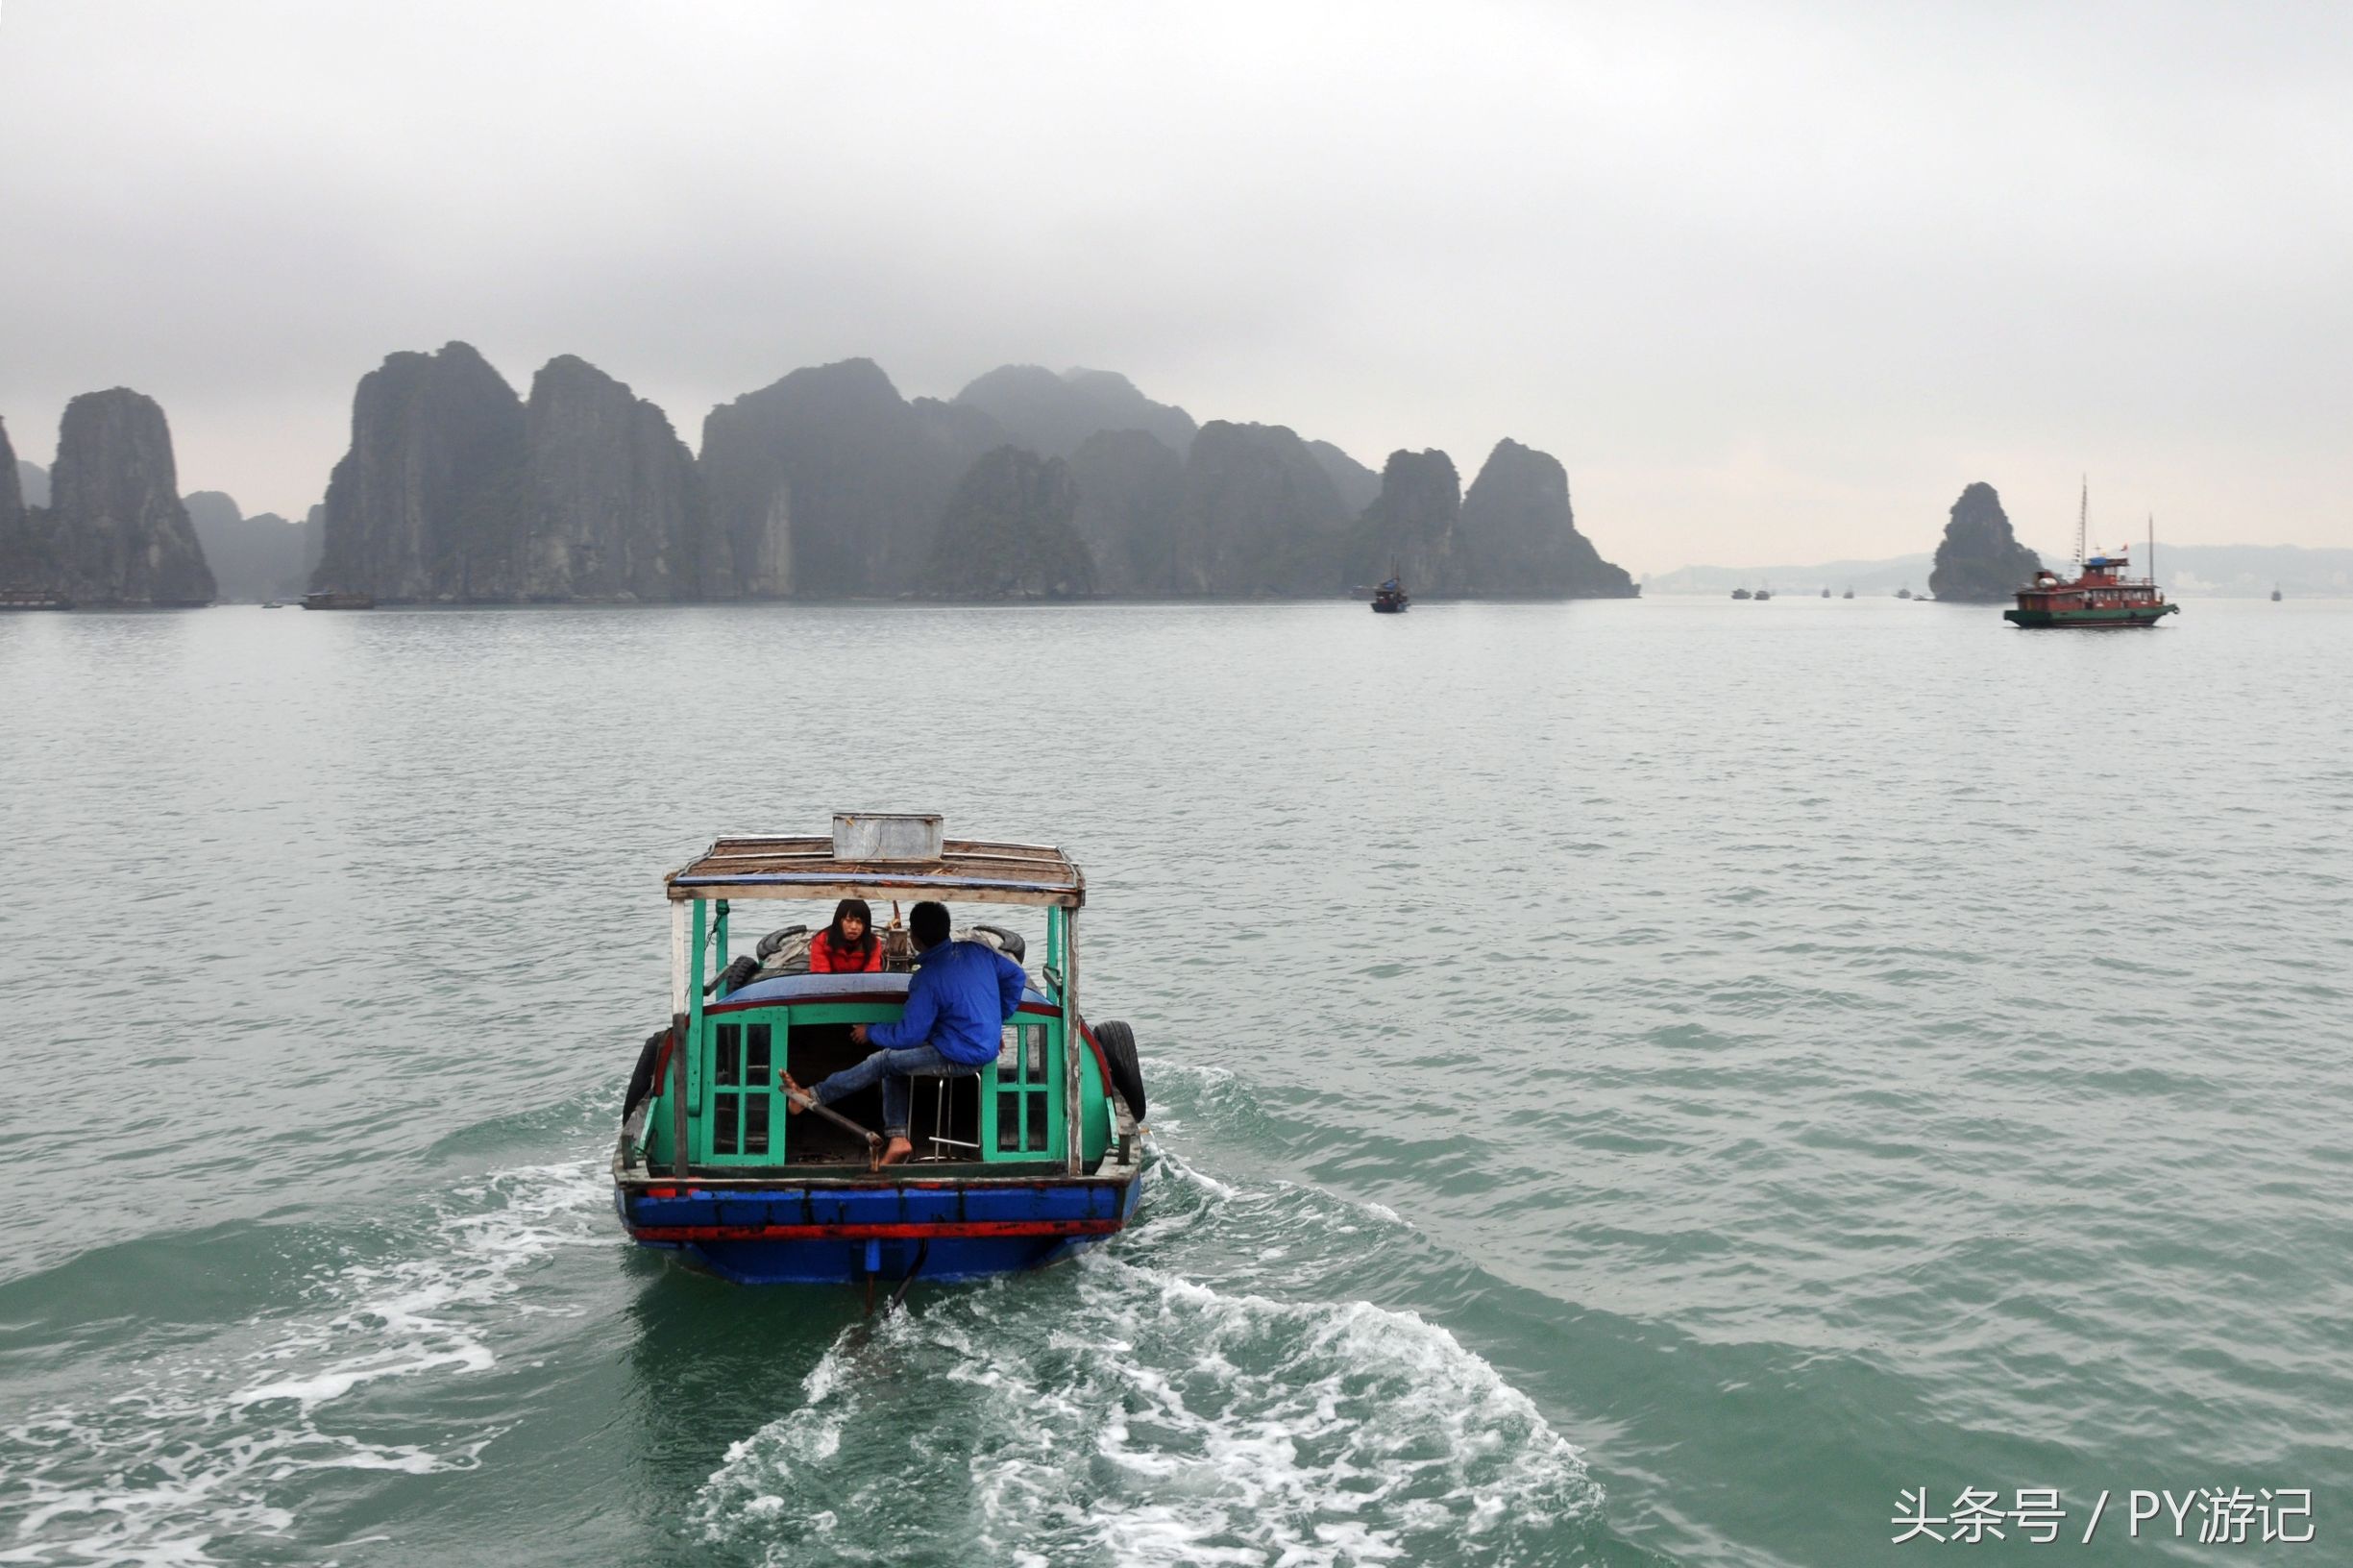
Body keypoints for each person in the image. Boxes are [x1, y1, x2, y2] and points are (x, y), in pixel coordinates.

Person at [785, 900, 1027, 1165]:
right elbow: (1016, 977)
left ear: (915, 937)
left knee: (882, 1060)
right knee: (895, 1063)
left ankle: (813, 1095)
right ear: (946, 929)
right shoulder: (977, 951)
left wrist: (871, 1032)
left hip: (960, 1056)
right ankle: (898, 1138)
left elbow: (909, 1035)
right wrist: (995, 1020)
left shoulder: (927, 979)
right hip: (980, 1044)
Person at [807, 897, 884, 973]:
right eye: (849, 920)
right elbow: (820, 978)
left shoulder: (873, 944)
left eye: (859, 922)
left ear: (865, 926)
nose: (854, 927)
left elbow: (871, 976)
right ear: (839, 921)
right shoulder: (821, 941)